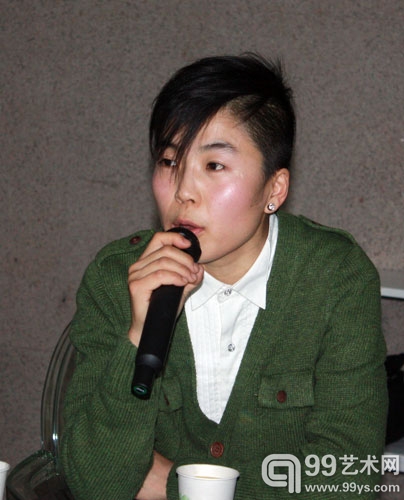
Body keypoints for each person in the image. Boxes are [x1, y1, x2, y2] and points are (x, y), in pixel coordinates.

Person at [60, 54, 388, 499]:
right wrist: (137, 335)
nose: (183, 192)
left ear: (274, 189)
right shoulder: (117, 276)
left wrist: (179, 485)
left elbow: (349, 479)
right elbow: (93, 482)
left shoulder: (335, 276)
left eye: (214, 166)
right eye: (169, 161)